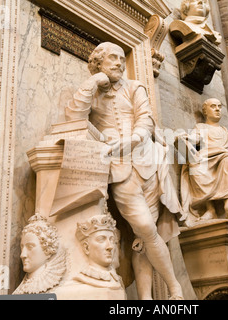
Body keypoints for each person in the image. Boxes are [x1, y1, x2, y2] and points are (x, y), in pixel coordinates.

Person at [65, 42, 184, 300]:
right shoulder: (93, 91)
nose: (119, 63)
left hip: (149, 164)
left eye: (122, 58)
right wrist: (94, 81)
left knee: (142, 238)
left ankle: (145, 300)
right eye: (112, 58)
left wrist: (134, 139)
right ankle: (176, 288)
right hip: (119, 171)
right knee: (145, 228)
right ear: (98, 63)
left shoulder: (134, 87)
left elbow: (146, 119)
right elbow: (74, 117)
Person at [180, 98, 228, 222]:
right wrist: (186, 137)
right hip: (206, 157)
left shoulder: (224, 130)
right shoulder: (200, 127)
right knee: (195, 167)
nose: (217, 109)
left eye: (219, 106)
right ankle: (210, 209)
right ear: (205, 111)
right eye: (213, 106)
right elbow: (195, 138)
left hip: (224, 156)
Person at [13, 214, 66, 295]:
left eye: (30, 247)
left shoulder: (58, 290)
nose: (22, 255)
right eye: (22, 247)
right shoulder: (21, 288)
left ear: (47, 249)